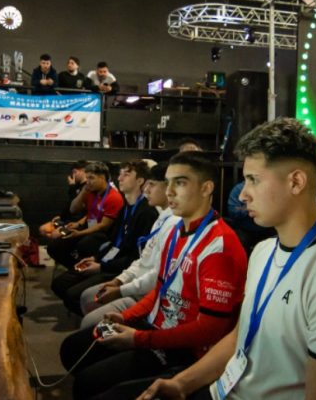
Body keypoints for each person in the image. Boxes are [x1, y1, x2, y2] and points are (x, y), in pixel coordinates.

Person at [138, 118, 316, 400]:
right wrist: (182, 384)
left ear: (296, 182)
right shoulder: (263, 250)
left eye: (253, 180)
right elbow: (241, 336)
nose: (243, 195)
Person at [60, 151, 247, 399]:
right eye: (168, 182)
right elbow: (161, 290)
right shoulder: (175, 230)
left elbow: (210, 330)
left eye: (180, 183)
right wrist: (125, 316)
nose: (169, 191)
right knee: (73, 348)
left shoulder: (219, 245)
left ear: (206, 188)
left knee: (88, 384)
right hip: (155, 327)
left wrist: (139, 339)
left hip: (186, 350)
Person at [79, 163, 180, 329]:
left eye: (152, 184)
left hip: (146, 293)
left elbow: (157, 274)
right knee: (86, 297)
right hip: (134, 279)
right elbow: (142, 259)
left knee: (88, 321)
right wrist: (119, 280)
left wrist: (121, 288)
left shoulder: (166, 220)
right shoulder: (160, 218)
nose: (147, 189)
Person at [51, 160, 158, 315]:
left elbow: (135, 257)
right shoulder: (126, 208)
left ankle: (95, 320)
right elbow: (114, 242)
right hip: (109, 260)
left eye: (126, 174)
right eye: (120, 174)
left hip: (120, 269)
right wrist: (95, 258)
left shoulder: (147, 213)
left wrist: (101, 266)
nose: (120, 178)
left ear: (140, 181)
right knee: (59, 284)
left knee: (72, 295)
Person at [46, 162, 124, 268]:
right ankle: (75, 268)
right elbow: (73, 209)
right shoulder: (91, 192)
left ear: (102, 177)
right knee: (54, 246)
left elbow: (103, 225)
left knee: (83, 245)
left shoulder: (114, 197)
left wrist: (79, 233)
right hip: (88, 226)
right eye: (87, 178)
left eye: (91, 178)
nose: (88, 182)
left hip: (102, 233)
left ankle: (82, 269)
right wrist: (83, 192)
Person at [39, 160, 88, 239]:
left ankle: (60, 241)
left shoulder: (87, 187)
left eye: (75, 172)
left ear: (83, 170)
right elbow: (70, 205)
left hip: (75, 222)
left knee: (55, 234)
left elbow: (78, 209)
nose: (73, 175)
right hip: (66, 220)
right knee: (43, 229)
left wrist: (78, 224)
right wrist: (61, 217)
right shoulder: (75, 186)